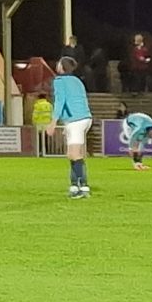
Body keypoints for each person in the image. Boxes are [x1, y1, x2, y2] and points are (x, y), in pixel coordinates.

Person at [50, 55, 95, 198]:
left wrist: (53, 122)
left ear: (62, 67)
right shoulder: (77, 81)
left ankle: (84, 187)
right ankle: (75, 186)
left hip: (75, 120)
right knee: (78, 154)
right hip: (85, 118)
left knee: (73, 154)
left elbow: (60, 101)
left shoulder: (59, 81)